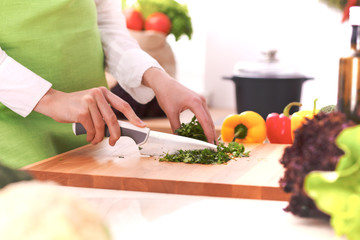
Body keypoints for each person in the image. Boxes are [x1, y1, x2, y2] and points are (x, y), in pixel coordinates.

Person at [0, 0, 216, 169]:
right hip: (15, 141)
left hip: (93, 136)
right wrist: (48, 99)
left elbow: (106, 24)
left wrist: (155, 76)